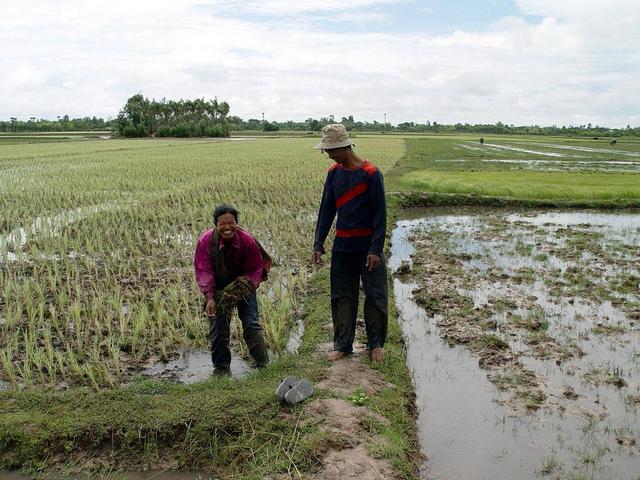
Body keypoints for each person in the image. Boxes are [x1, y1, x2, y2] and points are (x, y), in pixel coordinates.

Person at [312, 124, 388, 363]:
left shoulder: (371, 173)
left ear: (345, 146)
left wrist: (376, 249)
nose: (329, 154)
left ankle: (375, 344)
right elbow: (327, 210)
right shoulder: (334, 173)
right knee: (341, 295)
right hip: (343, 246)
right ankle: (343, 345)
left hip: (367, 247)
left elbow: (380, 215)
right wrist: (318, 243)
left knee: (375, 296)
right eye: (327, 150)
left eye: (332, 150)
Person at [194, 204, 270, 375]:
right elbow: (204, 270)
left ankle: (263, 366)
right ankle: (221, 369)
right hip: (218, 288)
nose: (227, 227)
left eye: (231, 222)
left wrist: (239, 289)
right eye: (222, 223)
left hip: (243, 285)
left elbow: (255, 269)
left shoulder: (247, 240)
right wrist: (211, 297)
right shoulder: (206, 241)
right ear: (216, 224)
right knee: (218, 327)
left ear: (236, 223)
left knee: (251, 323)